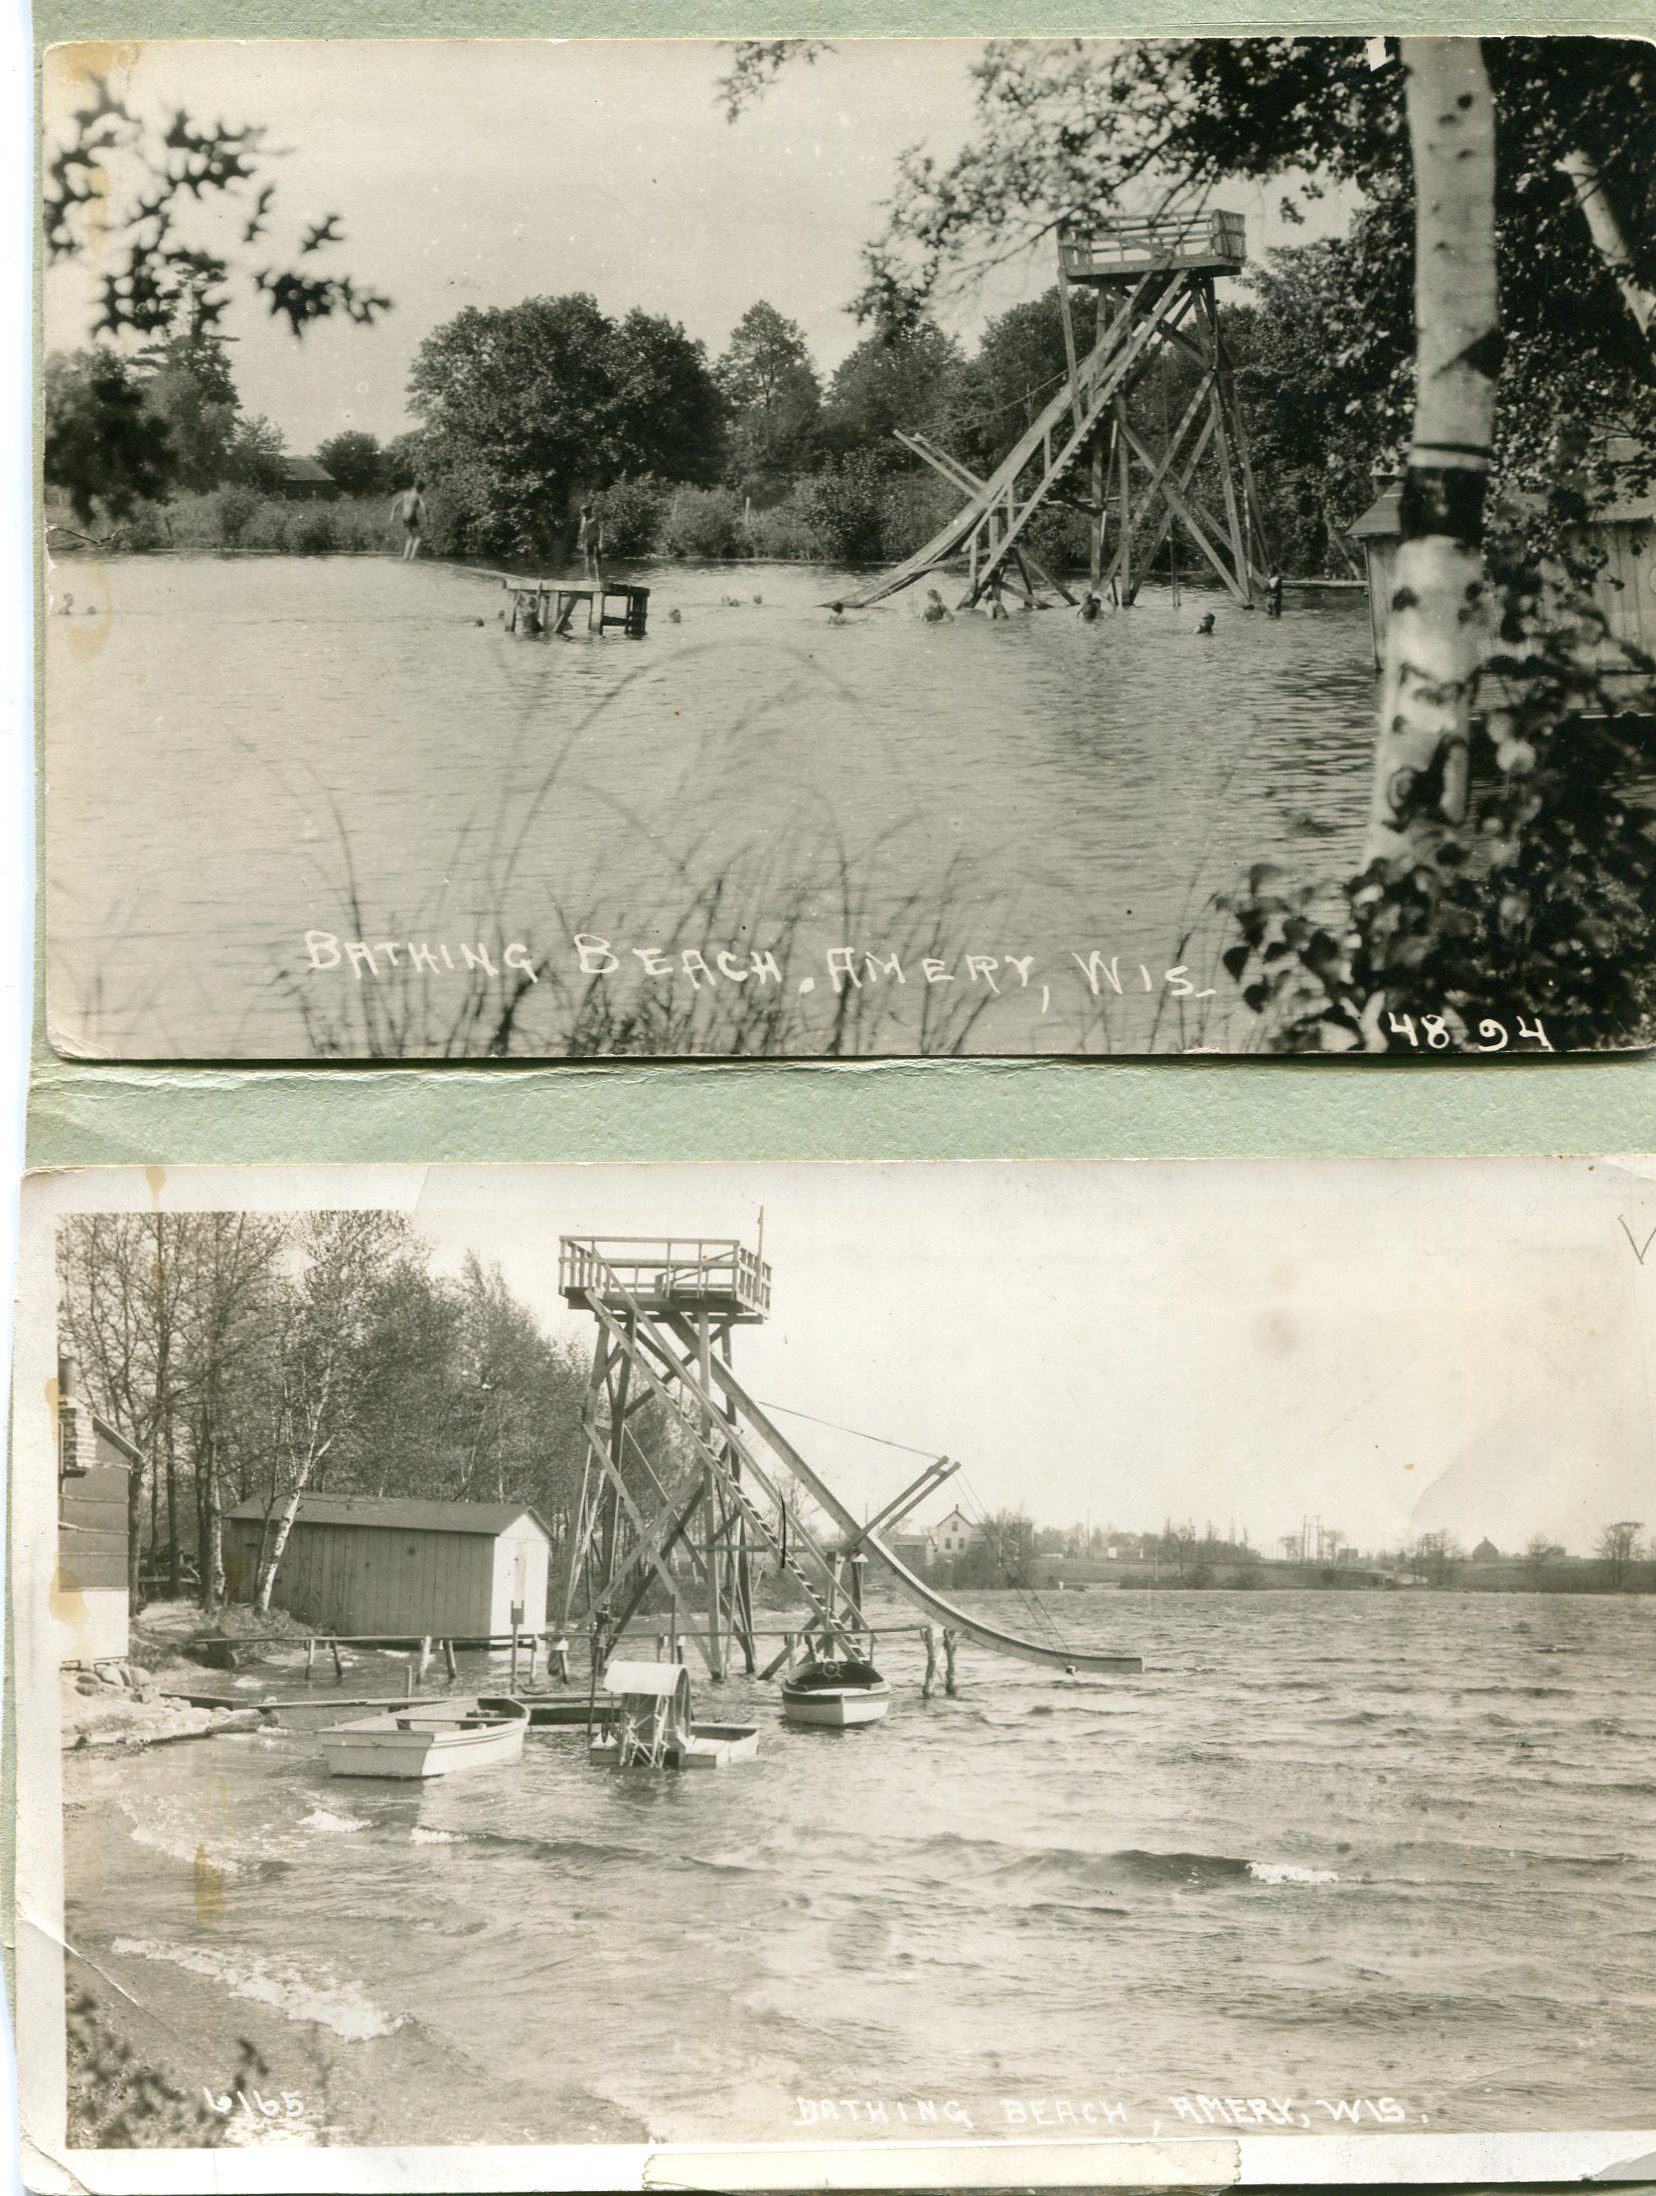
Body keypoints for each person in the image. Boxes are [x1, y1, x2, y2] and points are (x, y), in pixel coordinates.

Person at [390, 478, 427, 561]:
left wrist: (392, 516)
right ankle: (412, 557)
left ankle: (405, 557)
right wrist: (427, 518)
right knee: (418, 537)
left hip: (404, 517)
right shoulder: (418, 495)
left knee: (410, 537)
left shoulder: (406, 494)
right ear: (420, 488)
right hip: (412, 516)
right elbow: (424, 507)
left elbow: (395, 504)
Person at [577, 499, 603, 579]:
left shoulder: (595, 519)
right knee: (588, 560)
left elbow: (601, 530)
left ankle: (598, 578)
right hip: (587, 542)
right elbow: (581, 531)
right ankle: (591, 578)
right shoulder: (583, 519)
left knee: (597, 560)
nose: (583, 514)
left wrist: (600, 542)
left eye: (584, 513)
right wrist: (580, 542)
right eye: (582, 513)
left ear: (589, 511)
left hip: (595, 541)